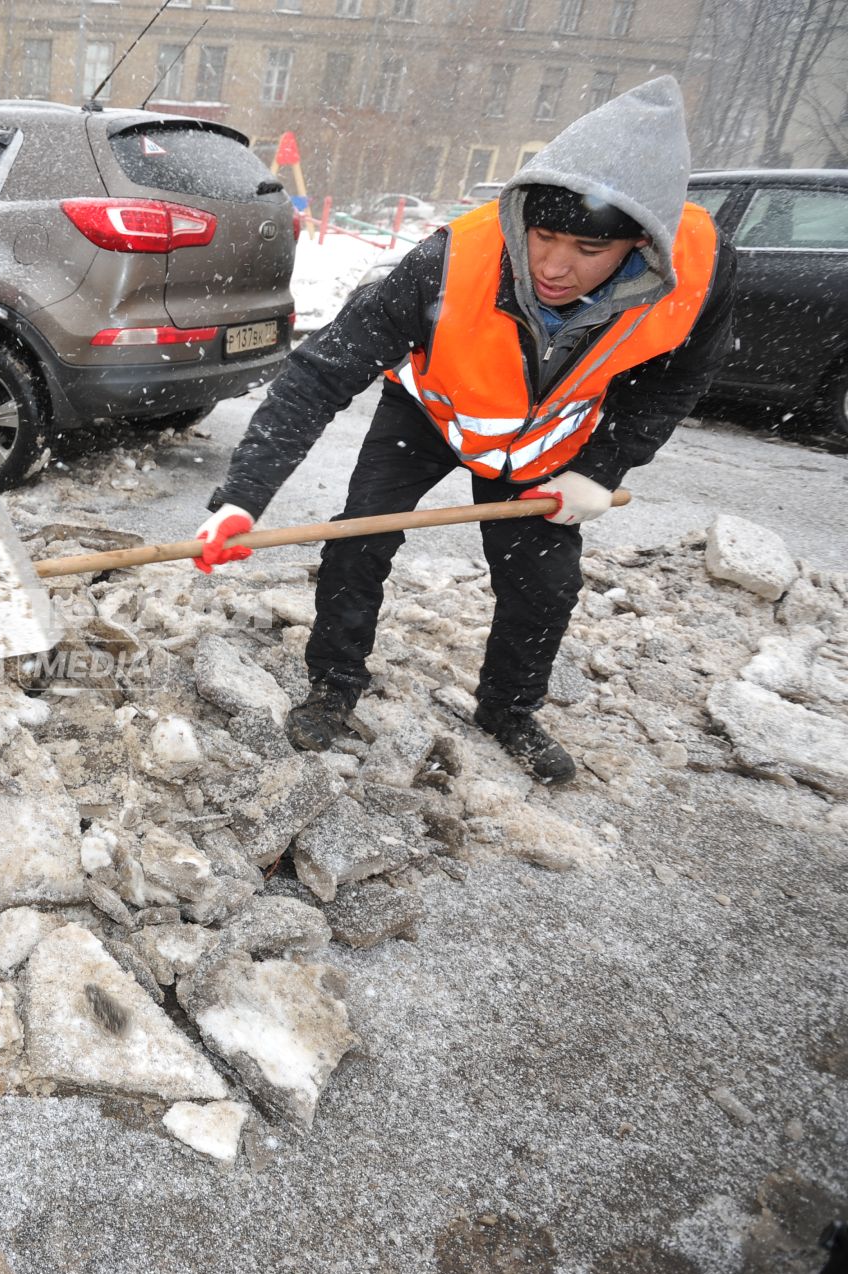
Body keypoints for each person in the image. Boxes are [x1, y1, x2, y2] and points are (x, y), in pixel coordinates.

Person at [192, 76, 735, 784]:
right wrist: (244, 494)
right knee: (359, 535)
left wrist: (603, 468)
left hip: (544, 444)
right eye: (542, 236)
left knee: (544, 581)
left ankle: (509, 710)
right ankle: (334, 682)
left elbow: (678, 376)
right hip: (431, 412)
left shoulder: (699, 266)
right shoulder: (451, 262)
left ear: (640, 245)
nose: (553, 265)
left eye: (587, 249)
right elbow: (319, 375)